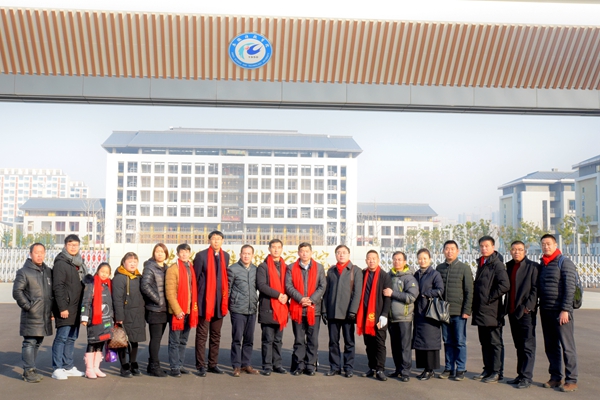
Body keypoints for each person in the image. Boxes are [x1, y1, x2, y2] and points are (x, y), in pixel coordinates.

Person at [538, 234, 578, 392]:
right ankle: (555, 377)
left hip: (561, 312)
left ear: (555, 245)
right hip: (546, 310)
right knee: (551, 346)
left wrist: (565, 309)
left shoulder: (564, 262)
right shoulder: (543, 264)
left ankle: (571, 380)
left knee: (567, 347)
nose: (546, 246)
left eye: (549, 243)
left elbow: (570, 287)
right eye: (543, 244)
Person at [12, 243, 53, 383]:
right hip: (32, 314)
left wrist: (51, 310)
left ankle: (32, 368)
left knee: (38, 342)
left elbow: (51, 293)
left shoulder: (48, 271)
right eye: (36, 252)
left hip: (44, 314)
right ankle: (28, 371)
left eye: (42, 252)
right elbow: (17, 292)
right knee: (29, 342)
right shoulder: (24, 272)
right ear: (30, 254)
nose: (39, 255)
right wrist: (29, 307)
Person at [472, 236, 510, 383]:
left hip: (492, 310)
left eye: (487, 246)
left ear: (493, 247)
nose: (484, 248)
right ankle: (487, 369)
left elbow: (505, 285)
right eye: (482, 246)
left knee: (495, 342)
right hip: (481, 310)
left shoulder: (497, 264)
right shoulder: (482, 263)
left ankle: (497, 372)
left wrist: (489, 298)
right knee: (485, 342)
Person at [285, 242, 326, 376]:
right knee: (299, 339)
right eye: (302, 251)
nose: (304, 253)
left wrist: (311, 299)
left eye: (307, 251)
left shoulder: (319, 267)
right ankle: (299, 364)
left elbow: (322, 286)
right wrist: (301, 298)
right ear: (298, 253)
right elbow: (288, 286)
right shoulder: (291, 267)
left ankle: (310, 365)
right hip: (297, 308)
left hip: (314, 310)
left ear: (311, 252)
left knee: (313, 339)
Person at [322, 244, 363, 378]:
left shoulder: (355, 270)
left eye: (344, 252)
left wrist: (353, 311)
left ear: (349, 255)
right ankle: (334, 367)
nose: (341, 255)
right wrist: (324, 310)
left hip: (347, 313)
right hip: (332, 312)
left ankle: (348, 368)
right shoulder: (331, 271)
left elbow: (357, 293)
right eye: (339, 252)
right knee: (333, 342)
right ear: (335, 255)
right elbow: (326, 292)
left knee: (349, 342)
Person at [436, 240, 473, 381]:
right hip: (444, 312)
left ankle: (461, 368)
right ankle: (449, 368)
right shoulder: (440, 268)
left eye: (452, 249)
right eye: (447, 249)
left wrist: (467, 310)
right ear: (443, 251)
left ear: (458, 251)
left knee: (460, 341)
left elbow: (469, 291)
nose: (449, 251)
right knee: (447, 341)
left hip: (458, 312)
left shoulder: (464, 268)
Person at [194, 230, 230, 376]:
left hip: (219, 303)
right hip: (205, 302)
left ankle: (213, 364)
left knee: (216, 335)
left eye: (219, 239)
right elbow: (196, 279)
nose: (216, 241)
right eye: (214, 238)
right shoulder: (201, 256)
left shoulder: (225, 256)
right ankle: (200, 365)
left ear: (222, 241)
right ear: (209, 240)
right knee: (202, 335)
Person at [51, 234, 87, 380]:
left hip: (77, 307)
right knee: (62, 338)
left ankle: (68, 366)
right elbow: (58, 287)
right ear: (65, 246)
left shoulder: (79, 263)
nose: (73, 247)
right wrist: (62, 308)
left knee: (72, 338)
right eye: (70, 245)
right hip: (66, 307)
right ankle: (57, 368)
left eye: (76, 245)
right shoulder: (61, 263)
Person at [505, 240, 539, 389]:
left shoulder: (533, 267)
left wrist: (528, 307)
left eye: (519, 249)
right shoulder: (509, 266)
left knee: (527, 346)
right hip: (512, 312)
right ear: (510, 251)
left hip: (525, 313)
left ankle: (526, 377)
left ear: (525, 251)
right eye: (514, 249)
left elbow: (535, 289)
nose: (516, 252)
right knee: (519, 345)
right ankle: (520, 375)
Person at [256, 239, 289, 376]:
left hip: (282, 307)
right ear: (269, 249)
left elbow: (289, 285)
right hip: (268, 306)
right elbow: (261, 285)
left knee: (278, 340)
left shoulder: (286, 267)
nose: (276, 249)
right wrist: (278, 295)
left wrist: (286, 295)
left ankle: (277, 364)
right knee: (268, 339)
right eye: (273, 247)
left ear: (282, 249)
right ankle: (267, 365)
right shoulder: (263, 267)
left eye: (278, 247)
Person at [358, 250, 392, 381]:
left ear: (378, 260)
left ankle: (380, 369)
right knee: (369, 343)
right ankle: (372, 367)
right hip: (365, 315)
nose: (371, 260)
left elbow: (388, 298)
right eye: (369, 258)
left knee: (379, 343)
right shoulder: (363, 274)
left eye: (374, 258)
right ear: (366, 260)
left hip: (379, 315)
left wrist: (384, 315)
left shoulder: (384, 276)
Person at [165, 243, 198, 377]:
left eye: (186, 252)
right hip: (178, 311)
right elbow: (170, 292)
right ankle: (174, 367)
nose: (184, 254)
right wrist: (177, 310)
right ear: (178, 254)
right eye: (182, 252)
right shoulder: (173, 269)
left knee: (183, 340)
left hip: (189, 310)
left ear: (190, 253)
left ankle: (180, 364)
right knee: (174, 341)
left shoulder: (191, 267)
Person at [385, 251, 419, 382]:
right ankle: (398, 369)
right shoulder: (389, 275)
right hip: (391, 317)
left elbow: (411, 297)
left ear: (404, 262)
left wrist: (393, 294)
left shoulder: (409, 278)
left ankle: (405, 371)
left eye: (399, 259)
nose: (396, 262)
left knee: (405, 346)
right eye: (394, 259)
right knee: (395, 346)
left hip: (404, 317)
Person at [112, 252, 147, 378]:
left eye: (135, 262)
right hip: (124, 314)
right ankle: (124, 366)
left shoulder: (138, 277)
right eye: (130, 261)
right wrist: (119, 317)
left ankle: (133, 364)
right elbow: (117, 299)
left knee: (134, 340)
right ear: (123, 263)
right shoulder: (119, 278)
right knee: (122, 342)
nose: (133, 264)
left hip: (137, 313)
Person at [228, 244, 260, 377]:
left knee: (249, 339)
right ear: (240, 254)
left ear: (252, 255)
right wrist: (229, 305)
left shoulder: (256, 270)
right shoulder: (233, 269)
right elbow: (228, 289)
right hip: (238, 309)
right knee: (237, 338)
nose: (246, 256)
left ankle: (246, 364)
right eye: (244, 253)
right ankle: (236, 365)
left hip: (251, 309)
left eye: (249, 254)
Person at [413, 248, 444, 381]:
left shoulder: (434, 274)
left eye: (425, 258)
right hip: (418, 312)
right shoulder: (416, 274)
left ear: (430, 259)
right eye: (420, 258)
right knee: (421, 341)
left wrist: (426, 294)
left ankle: (430, 369)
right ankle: (424, 368)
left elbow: (440, 290)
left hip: (430, 312)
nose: (422, 261)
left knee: (430, 342)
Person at [141, 243, 170, 377]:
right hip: (155, 309)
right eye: (157, 251)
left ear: (166, 254)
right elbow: (145, 286)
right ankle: (154, 366)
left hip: (164, 309)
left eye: (162, 252)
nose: (160, 254)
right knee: (156, 339)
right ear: (153, 253)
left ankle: (151, 364)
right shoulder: (150, 267)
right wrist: (158, 300)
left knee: (158, 338)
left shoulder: (167, 268)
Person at [81, 262, 114, 379]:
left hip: (106, 320)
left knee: (101, 343)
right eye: (102, 271)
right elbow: (86, 301)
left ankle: (96, 367)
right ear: (98, 271)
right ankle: (89, 369)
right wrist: (84, 317)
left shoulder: (109, 285)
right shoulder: (92, 284)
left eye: (107, 272)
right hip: (94, 320)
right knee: (92, 342)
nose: (104, 274)